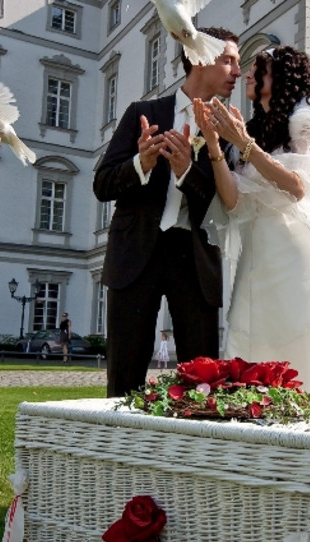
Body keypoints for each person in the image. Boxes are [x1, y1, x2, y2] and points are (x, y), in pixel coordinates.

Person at [192, 46, 310, 417]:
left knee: (302, 340)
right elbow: (232, 202)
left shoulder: (304, 119)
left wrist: (245, 144)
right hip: (257, 254)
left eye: (257, 70)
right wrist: (214, 143)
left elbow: (298, 187)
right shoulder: (253, 129)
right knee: (253, 338)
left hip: (294, 254)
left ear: (279, 76)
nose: (246, 75)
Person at [94, 27, 242, 397]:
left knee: (203, 384)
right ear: (198, 58)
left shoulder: (229, 132)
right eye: (228, 61)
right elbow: (102, 185)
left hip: (194, 261)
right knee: (124, 380)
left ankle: (197, 454)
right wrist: (140, 163)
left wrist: (186, 172)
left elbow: (225, 203)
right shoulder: (143, 114)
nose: (237, 72)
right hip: (135, 256)